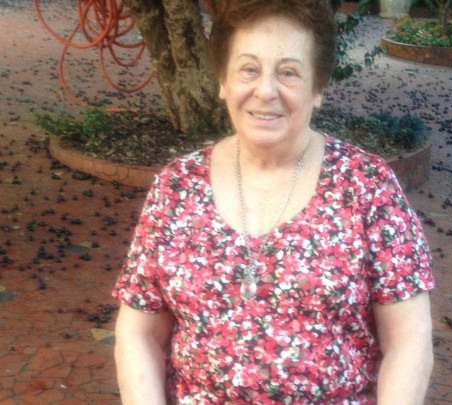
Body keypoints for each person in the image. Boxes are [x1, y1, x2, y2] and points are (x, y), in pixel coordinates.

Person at [113, 0, 435, 404]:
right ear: (223, 81)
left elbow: (409, 339)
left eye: (288, 72)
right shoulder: (176, 187)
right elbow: (138, 331)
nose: (265, 91)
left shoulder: (367, 186)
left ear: (318, 89)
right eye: (248, 69)